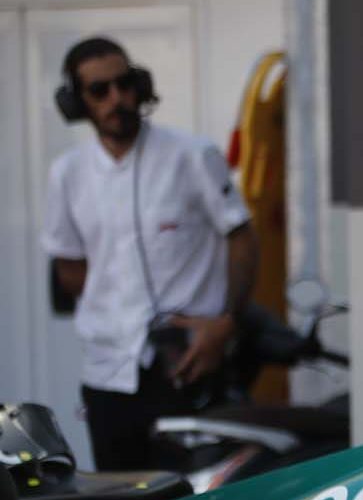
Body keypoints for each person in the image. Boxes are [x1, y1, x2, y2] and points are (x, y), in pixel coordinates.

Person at [41, 37, 258, 471]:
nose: (116, 99)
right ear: (77, 101)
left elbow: (243, 237)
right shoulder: (67, 174)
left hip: (188, 365)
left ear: (139, 85)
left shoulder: (193, 156)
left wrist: (224, 322)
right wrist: (114, 302)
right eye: (99, 90)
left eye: (124, 84)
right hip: (107, 373)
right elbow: (68, 266)